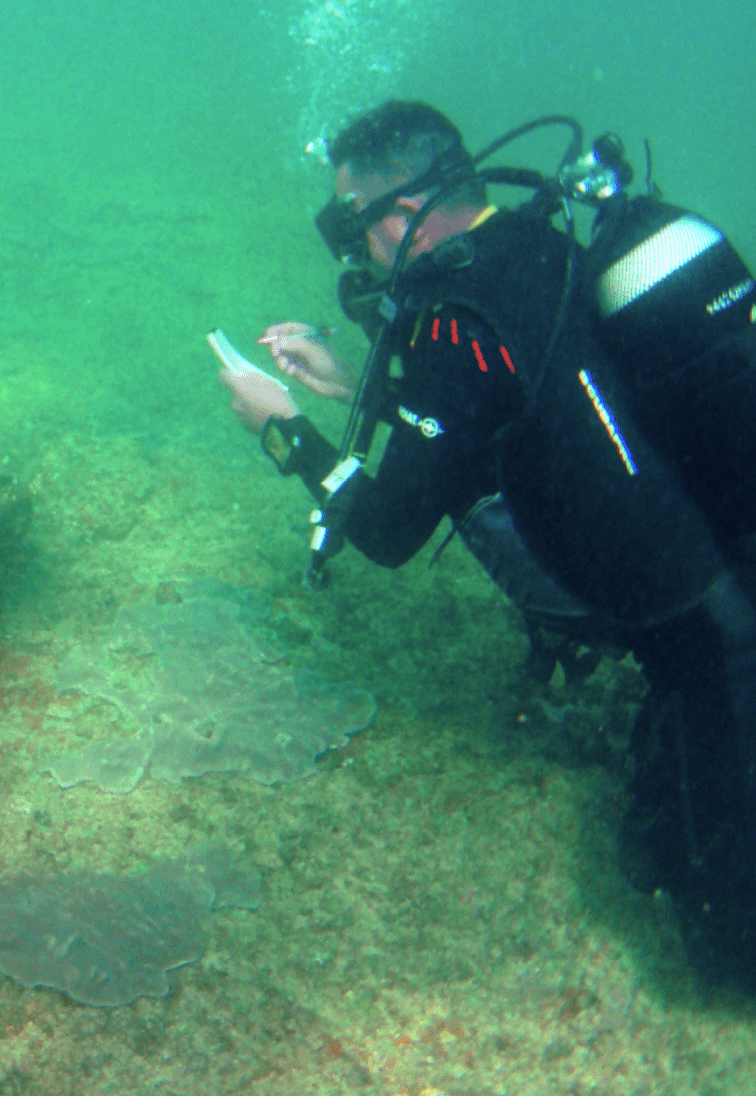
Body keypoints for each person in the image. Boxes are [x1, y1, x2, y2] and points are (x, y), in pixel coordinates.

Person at [219, 99, 756, 990]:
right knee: (659, 832)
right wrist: (354, 383)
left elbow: (389, 529)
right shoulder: (532, 240)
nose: (350, 248)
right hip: (719, 559)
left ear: (403, 210)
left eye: (350, 221)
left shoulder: (449, 321)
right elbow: (505, 401)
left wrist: (285, 430)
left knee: (725, 941)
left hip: (689, 619)